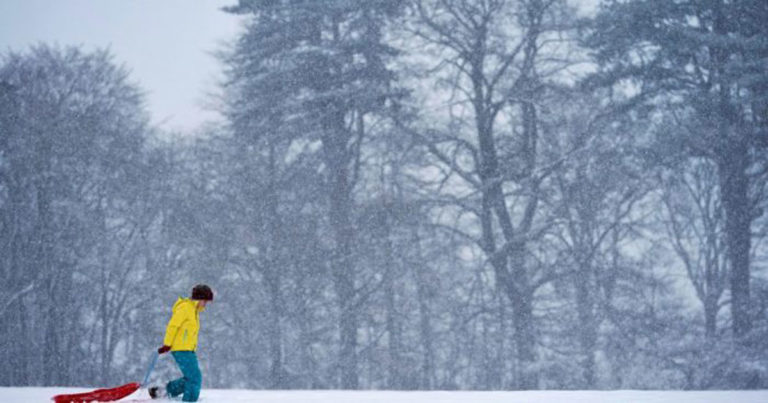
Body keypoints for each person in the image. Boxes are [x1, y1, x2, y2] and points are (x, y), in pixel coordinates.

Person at [149, 284, 214, 402]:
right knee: (195, 378)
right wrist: (167, 344)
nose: (205, 304)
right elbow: (173, 326)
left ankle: (162, 391)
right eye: (205, 301)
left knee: (191, 378)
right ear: (199, 298)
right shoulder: (185, 308)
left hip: (188, 349)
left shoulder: (194, 311)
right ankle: (189, 401)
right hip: (181, 349)